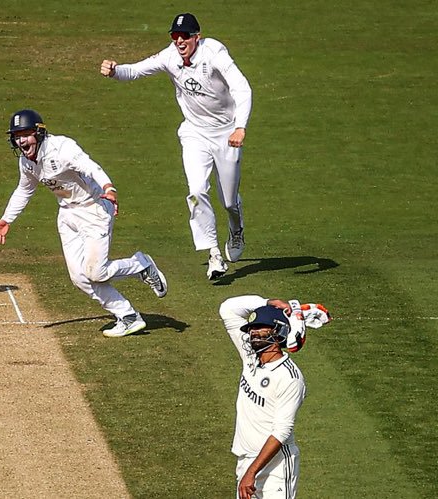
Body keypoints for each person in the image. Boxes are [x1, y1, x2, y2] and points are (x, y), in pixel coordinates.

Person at [0, 110, 168, 338]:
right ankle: (128, 316)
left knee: (97, 273)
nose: (21, 141)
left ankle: (140, 265)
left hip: (95, 209)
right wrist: (6, 219)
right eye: (17, 136)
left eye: (26, 134)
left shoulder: (62, 148)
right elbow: (24, 189)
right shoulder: (26, 162)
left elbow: (89, 166)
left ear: (39, 133)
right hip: (67, 214)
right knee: (80, 278)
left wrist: (109, 188)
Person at [100, 13, 254, 280]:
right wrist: (115, 71)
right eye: (175, 36)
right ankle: (214, 254)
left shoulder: (214, 52)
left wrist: (241, 126)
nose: (179, 41)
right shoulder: (169, 56)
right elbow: (136, 70)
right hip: (194, 133)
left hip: (227, 132)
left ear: (197, 36)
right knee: (196, 191)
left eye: (185, 36)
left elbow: (242, 88)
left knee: (229, 201)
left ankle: (236, 229)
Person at [218, 295, 331, 498]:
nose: (253, 333)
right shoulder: (251, 358)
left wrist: (252, 472)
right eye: (252, 328)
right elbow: (229, 309)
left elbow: (282, 431)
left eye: (261, 327)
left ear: (278, 332)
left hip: (276, 468)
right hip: (245, 460)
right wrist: (268, 302)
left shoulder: (289, 378)